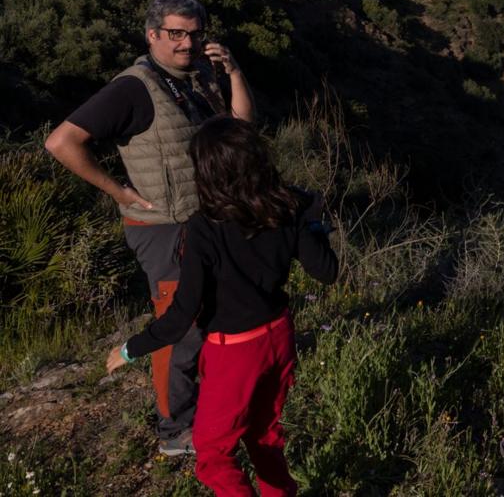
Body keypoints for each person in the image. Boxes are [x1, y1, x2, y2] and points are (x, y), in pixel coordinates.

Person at [45, 0, 254, 455]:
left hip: (205, 219)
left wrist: (234, 72)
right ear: (152, 35)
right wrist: (118, 192)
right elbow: (61, 142)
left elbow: (241, 129)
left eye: (194, 33)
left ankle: (205, 406)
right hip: (164, 229)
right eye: (175, 34)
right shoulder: (133, 88)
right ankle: (174, 430)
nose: (186, 43)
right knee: (178, 326)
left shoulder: (199, 76)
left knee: (211, 315)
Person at [107, 116, 338, 497]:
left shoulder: (204, 228)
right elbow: (326, 272)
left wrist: (131, 349)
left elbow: (181, 315)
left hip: (234, 353)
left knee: (213, 454)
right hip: (279, 336)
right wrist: (312, 222)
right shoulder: (286, 208)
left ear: (208, 172)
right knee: (264, 435)